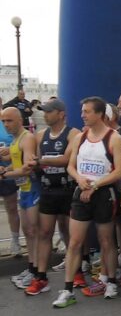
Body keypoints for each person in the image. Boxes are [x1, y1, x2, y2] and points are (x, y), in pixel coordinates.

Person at [53, 97, 121, 308]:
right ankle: (67, 289)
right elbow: (71, 166)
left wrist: (95, 186)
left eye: (87, 111)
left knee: (106, 241)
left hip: (103, 194)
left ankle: (110, 281)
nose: (83, 114)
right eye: (82, 111)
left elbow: (118, 171)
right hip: (81, 192)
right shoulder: (80, 137)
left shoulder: (114, 138)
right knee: (75, 242)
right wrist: (80, 179)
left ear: (100, 114)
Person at [25, 99, 78, 295]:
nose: (45, 115)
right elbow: (33, 161)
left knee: (69, 234)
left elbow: (67, 159)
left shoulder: (73, 134)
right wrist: (33, 161)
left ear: (61, 114)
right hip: (48, 190)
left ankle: (77, 272)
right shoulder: (40, 135)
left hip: (67, 190)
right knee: (44, 233)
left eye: (49, 111)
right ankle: (41, 277)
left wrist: (41, 160)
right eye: (44, 112)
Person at [1, 107, 40, 289]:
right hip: (23, 190)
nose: (6, 125)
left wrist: (4, 175)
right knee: (28, 233)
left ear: (19, 120)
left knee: (35, 232)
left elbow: (27, 168)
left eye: (9, 121)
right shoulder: (16, 140)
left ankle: (39, 273)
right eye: (3, 121)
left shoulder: (27, 138)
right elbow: (16, 164)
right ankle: (31, 268)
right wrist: (5, 169)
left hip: (33, 190)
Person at [0, 112, 21, 257]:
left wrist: (9, 150)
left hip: (8, 173)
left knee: (12, 208)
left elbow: (19, 147)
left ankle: (15, 241)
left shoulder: (8, 122)